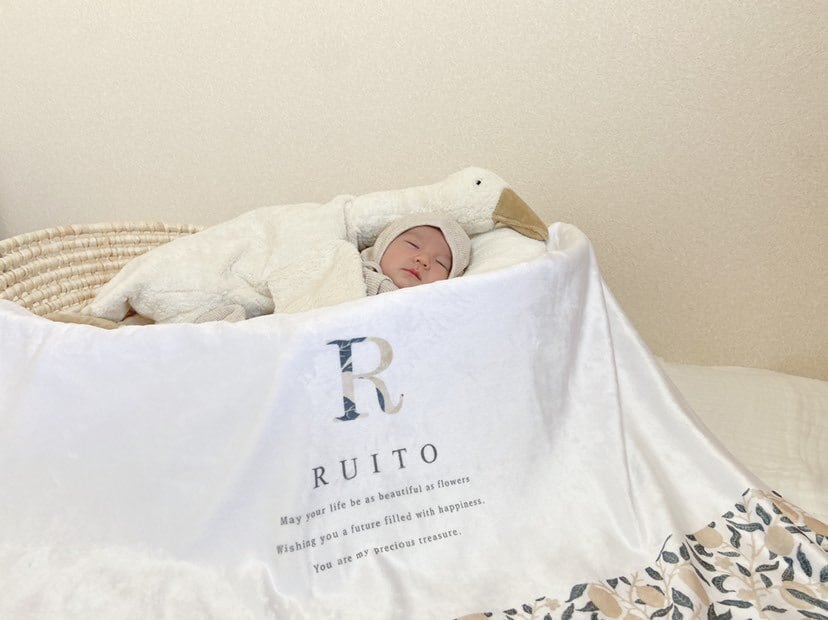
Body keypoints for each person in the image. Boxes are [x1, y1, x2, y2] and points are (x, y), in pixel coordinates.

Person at [361, 213, 471, 295]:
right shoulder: (355, 271)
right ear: (385, 242)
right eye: (413, 244)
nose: (423, 259)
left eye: (440, 263)